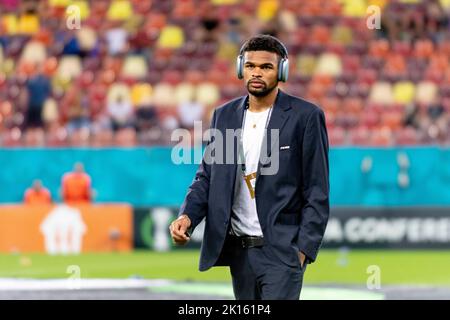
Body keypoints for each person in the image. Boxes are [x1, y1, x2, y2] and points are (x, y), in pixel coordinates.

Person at [170, 35, 330, 300]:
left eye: (266, 67)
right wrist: (188, 217)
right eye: (250, 66)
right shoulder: (224, 115)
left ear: (282, 71)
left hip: (282, 252)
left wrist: (303, 251)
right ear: (240, 68)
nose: (256, 72)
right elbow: (207, 178)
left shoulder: (306, 117)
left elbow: (317, 190)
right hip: (239, 252)